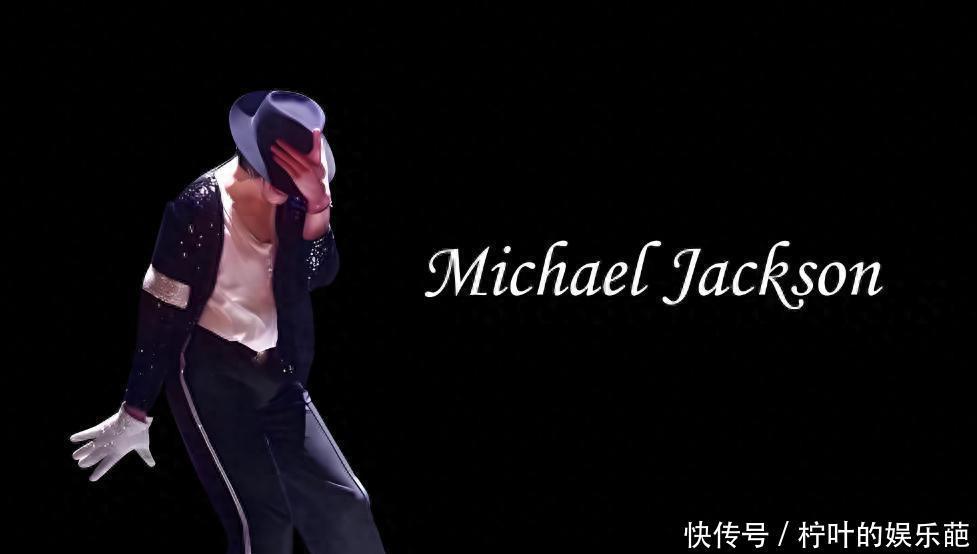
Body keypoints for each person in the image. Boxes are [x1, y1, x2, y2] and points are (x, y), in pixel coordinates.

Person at [69, 90, 386, 554]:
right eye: (284, 184)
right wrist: (135, 410)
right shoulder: (196, 210)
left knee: (347, 504)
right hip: (209, 374)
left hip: (276, 369)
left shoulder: (301, 201)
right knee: (264, 523)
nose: (293, 195)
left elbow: (318, 274)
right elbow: (160, 315)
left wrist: (319, 205)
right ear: (255, 163)